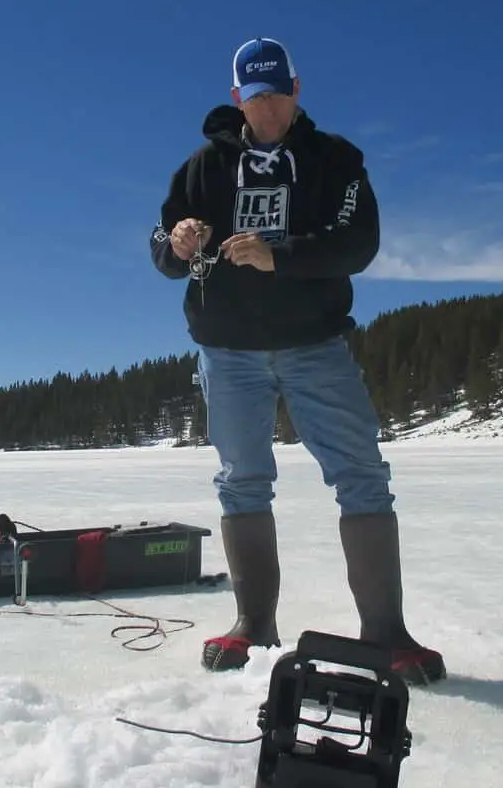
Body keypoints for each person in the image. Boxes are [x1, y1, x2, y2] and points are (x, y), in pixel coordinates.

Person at [148, 37, 445, 685]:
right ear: (238, 99)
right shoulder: (200, 169)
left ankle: (386, 633)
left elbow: (357, 242)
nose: (270, 109)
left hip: (315, 346)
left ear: (297, 90)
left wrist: (280, 255)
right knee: (242, 482)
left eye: (279, 95)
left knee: (362, 476)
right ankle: (254, 627)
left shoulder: (334, 161)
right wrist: (177, 243)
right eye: (257, 98)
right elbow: (164, 249)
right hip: (228, 353)